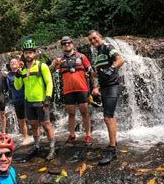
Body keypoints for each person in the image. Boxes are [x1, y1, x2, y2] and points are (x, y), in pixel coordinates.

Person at [14, 38, 56, 161]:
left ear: (34, 53)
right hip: (28, 102)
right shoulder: (23, 69)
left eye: (30, 52)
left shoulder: (41, 66)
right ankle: (37, 146)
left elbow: (49, 82)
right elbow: (17, 86)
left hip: (41, 101)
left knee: (46, 125)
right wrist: (18, 74)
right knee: (33, 125)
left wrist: (48, 98)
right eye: (26, 52)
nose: (28, 55)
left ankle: (52, 149)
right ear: (23, 54)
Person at [87, 30, 125, 165]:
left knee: (107, 117)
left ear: (100, 37)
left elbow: (120, 60)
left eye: (94, 38)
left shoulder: (108, 47)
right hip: (104, 88)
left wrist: (112, 68)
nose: (93, 41)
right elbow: (96, 73)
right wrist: (95, 87)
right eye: (90, 40)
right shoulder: (97, 53)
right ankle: (114, 142)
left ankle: (112, 149)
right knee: (110, 116)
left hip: (112, 86)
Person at [51, 36, 95, 145]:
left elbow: (91, 72)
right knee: (71, 113)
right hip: (68, 90)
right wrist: (54, 63)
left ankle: (88, 135)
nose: (67, 45)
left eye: (69, 43)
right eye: (64, 44)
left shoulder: (82, 57)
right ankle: (72, 135)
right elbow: (50, 71)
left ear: (72, 44)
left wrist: (94, 87)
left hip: (82, 88)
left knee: (85, 112)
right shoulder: (60, 60)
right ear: (62, 46)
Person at [6, 58, 30, 145]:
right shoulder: (8, 76)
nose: (13, 63)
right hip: (16, 100)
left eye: (15, 62)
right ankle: (26, 137)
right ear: (10, 65)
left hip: (27, 98)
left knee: (32, 118)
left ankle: (37, 134)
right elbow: (8, 88)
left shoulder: (23, 71)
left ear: (18, 63)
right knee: (21, 119)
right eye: (11, 62)